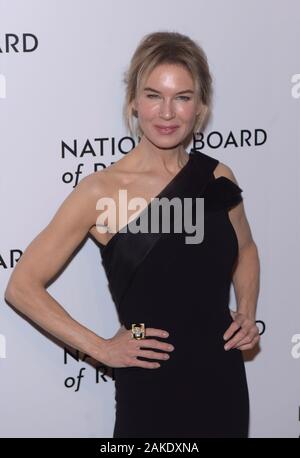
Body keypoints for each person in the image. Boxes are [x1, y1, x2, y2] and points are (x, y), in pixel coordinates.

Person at [5, 31, 260, 438]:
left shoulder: (217, 177)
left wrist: (246, 311)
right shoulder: (100, 192)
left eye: (183, 97)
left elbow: (245, 249)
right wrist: (102, 348)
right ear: (133, 103)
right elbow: (21, 286)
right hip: (151, 385)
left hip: (222, 379)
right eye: (153, 95)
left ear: (201, 107)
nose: (167, 112)